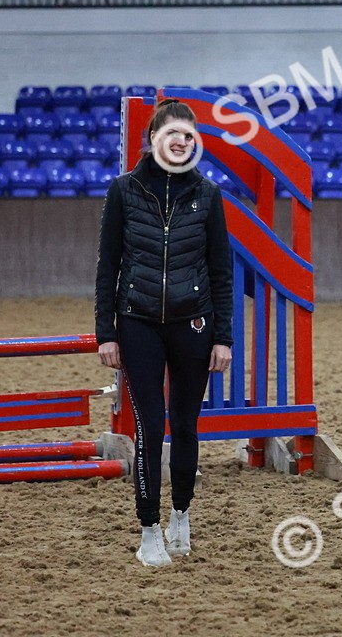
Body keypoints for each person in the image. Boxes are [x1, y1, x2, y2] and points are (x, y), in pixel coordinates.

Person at [94, 98, 233, 568]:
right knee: (151, 428)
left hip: (194, 326)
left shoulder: (209, 196)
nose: (181, 141)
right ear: (152, 138)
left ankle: (181, 515)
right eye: (173, 133)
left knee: (187, 426)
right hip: (136, 325)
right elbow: (107, 266)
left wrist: (224, 338)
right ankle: (149, 528)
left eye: (189, 136)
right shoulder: (123, 191)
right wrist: (105, 332)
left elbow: (221, 272)